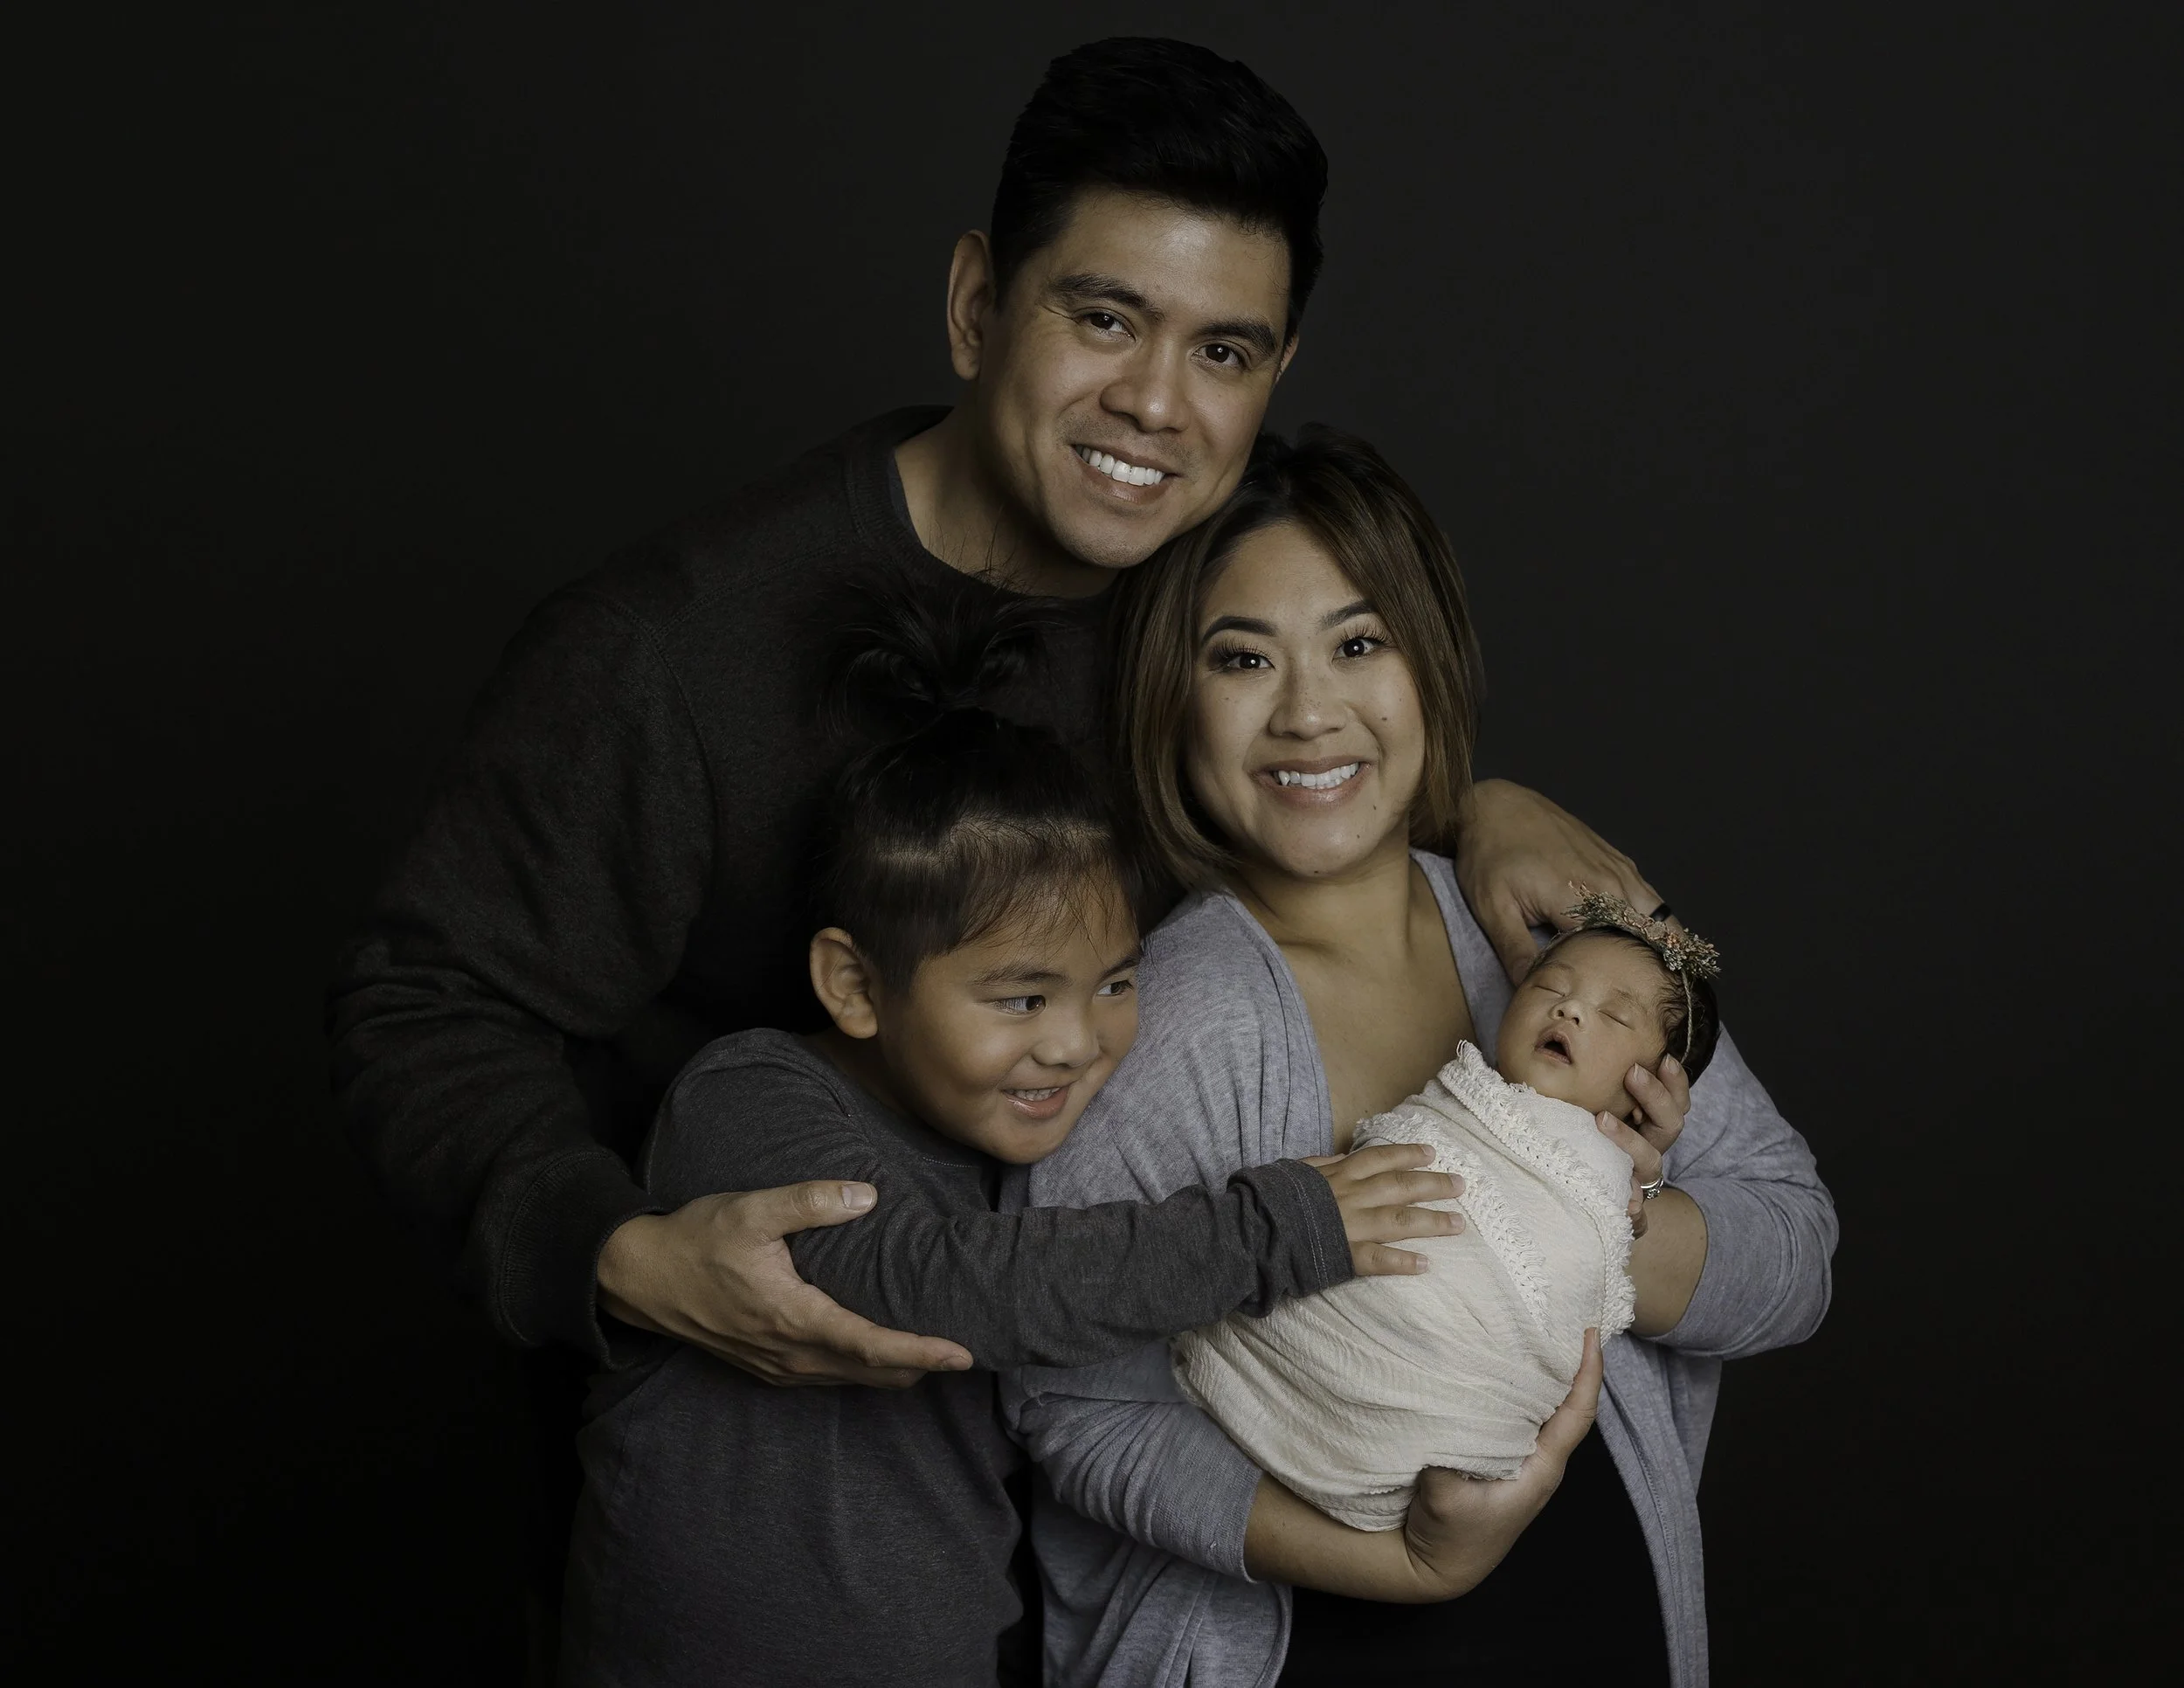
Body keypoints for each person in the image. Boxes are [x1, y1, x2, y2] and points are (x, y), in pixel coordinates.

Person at [326, 34, 1669, 1658]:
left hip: (1109, 1538)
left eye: (1225, 350)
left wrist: (1477, 800)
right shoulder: (672, 650)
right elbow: (427, 1004)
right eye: (1104, 317)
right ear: (977, 305)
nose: (1157, 404)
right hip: (796, 1504)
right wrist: (616, 1254)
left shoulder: (1194, 613)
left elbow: (1313, 747)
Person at [1010, 429, 1836, 1688]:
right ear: (1173, 697)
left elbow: (1796, 1254)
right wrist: (1402, 1564)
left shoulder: (1561, 944)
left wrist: (1588, 1206)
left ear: (1428, 659)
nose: (1308, 711)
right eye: (1241, 657)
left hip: (1604, 1629)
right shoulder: (1161, 1027)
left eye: (1358, 643)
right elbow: (1069, 1406)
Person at [559, 586, 1467, 1685]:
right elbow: (929, 1282)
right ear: (853, 984)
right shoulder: (749, 1096)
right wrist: (1273, 1233)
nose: (1080, 1044)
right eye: (1021, 1000)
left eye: (1117, 982)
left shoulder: (1014, 1146)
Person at [1171, 898, 1724, 1531]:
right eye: (1550, 986)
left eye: (1614, 1015)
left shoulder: (1610, 1173)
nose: (1569, 1008)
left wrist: (1632, 1194)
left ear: (1651, 1086)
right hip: (1339, 1340)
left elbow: (1576, 1273)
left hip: (1458, 1409)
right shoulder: (1462, 1097)